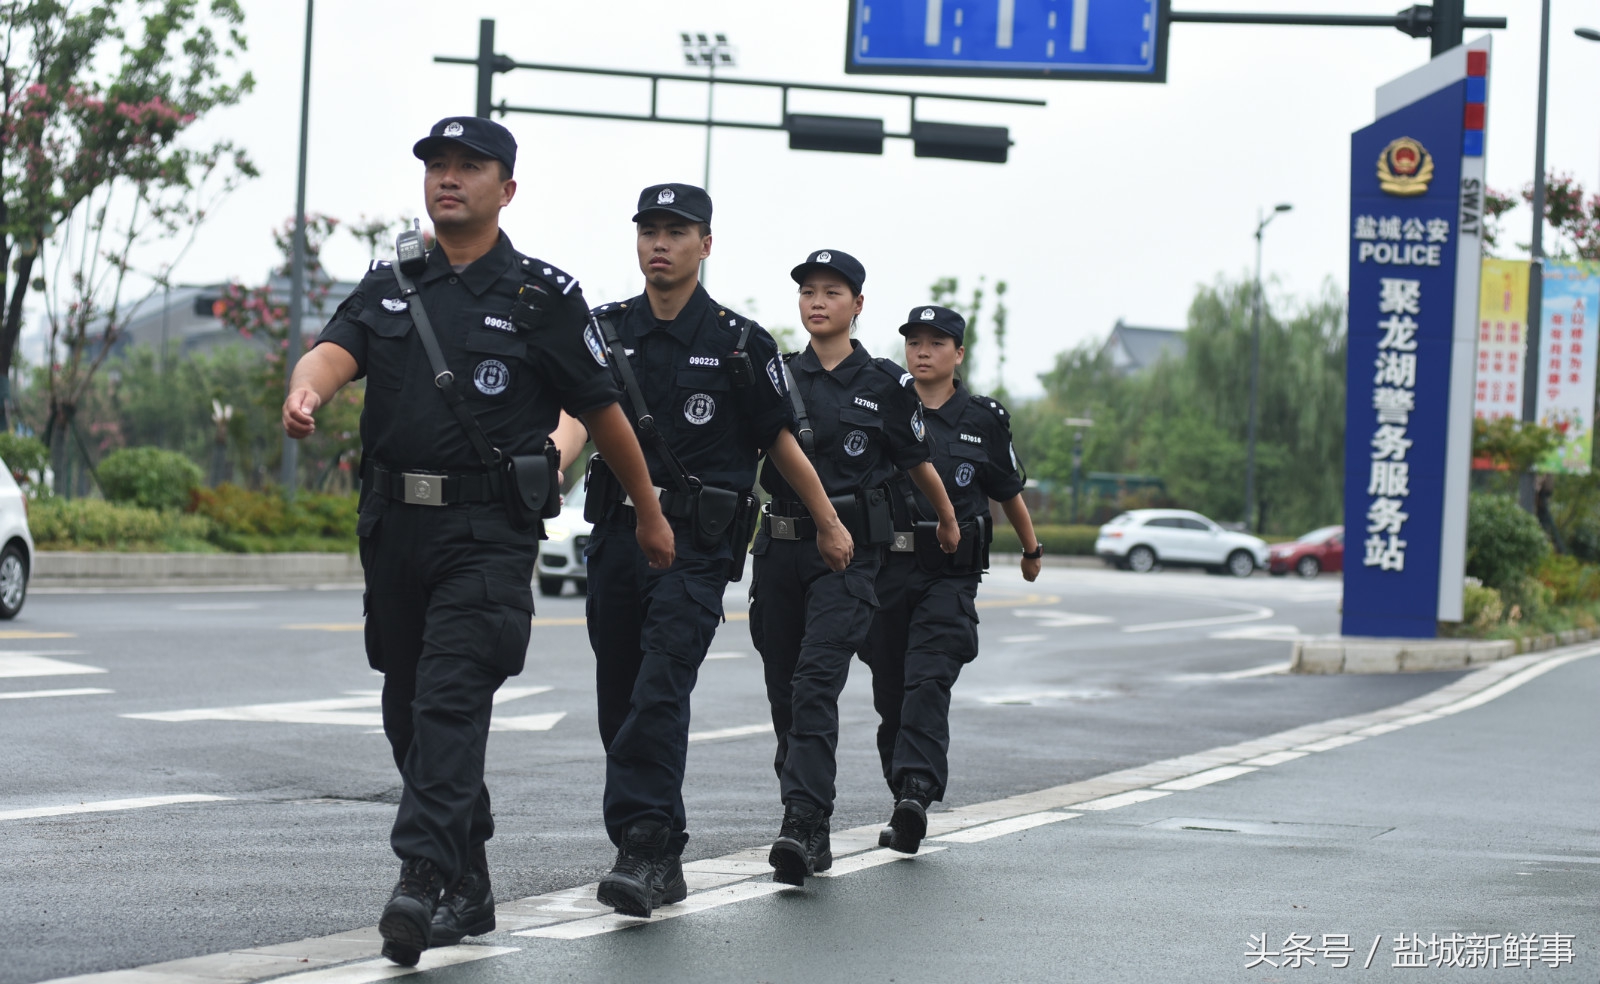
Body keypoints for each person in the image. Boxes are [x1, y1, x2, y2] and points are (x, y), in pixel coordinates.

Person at [281, 117, 673, 966]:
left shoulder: (542, 296)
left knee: (450, 700)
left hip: (485, 534)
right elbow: (331, 352)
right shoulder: (392, 283)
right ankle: (470, 874)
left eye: (469, 167)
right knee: (406, 708)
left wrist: (646, 509)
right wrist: (305, 393)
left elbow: (602, 411)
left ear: (508, 188)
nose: (448, 179)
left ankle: (421, 878)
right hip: (393, 528)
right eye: (437, 166)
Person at [573, 185, 853, 919]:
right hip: (616, 539)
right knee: (620, 696)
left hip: (694, 550)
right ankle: (659, 845)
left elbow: (778, 441)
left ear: (706, 244)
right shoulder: (601, 331)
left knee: (661, 688)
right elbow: (579, 416)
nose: (659, 244)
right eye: (649, 231)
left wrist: (827, 521)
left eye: (676, 231)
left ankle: (642, 846)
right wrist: (547, 465)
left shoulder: (739, 342)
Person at [748, 250, 960, 887]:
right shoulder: (777, 375)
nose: (817, 301)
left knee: (816, 684)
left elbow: (915, 458)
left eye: (831, 292)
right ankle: (805, 815)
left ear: (857, 305)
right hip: (779, 549)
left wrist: (946, 519)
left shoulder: (885, 384)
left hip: (847, 558)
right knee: (786, 690)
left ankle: (804, 821)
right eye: (808, 291)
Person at [860, 305, 1043, 856]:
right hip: (887, 571)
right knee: (892, 692)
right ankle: (904, 795)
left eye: (936, 342)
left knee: (928, 681)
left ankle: (916, 791)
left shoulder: (983, 418)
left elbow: (1007, 489)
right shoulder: (883, 407)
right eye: (914, 341)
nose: (922, 351)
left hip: (949, 575)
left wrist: (1031, 549)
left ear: (957, 354)